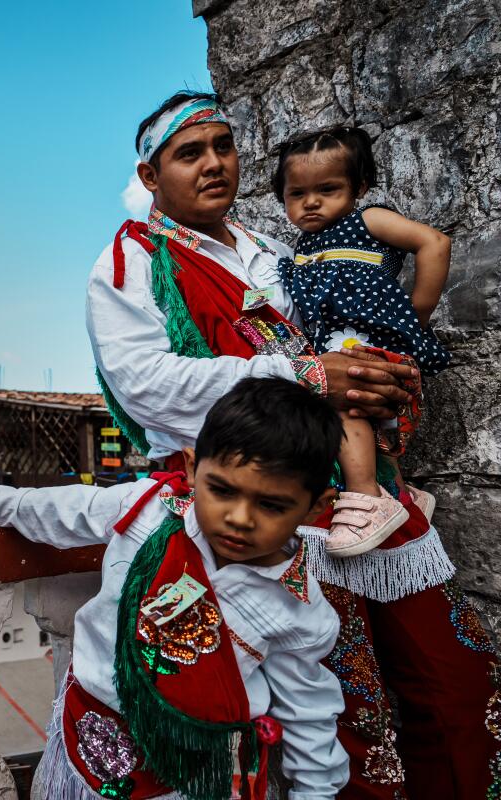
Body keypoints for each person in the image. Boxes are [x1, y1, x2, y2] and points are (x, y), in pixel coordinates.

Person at [88, 90, 499, 798]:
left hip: (368, 497)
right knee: (341, 715)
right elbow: (144, 385)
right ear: (151, 177)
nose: (214, 163)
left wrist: (378, 372)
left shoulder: (282, 249)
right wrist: (306, 374)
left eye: (223, 146)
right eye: (190, 153)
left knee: (453, 682)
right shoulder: (129, 265)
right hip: (267, 520)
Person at [0, 378, 349, 799]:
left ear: (315, 507)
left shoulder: (299, 609)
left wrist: (315, 792)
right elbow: (58, 509)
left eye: (271, 505)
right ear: (191, 466)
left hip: (189, 777)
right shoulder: (148, 510)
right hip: (81, 741)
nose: (239, 518)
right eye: (221, 490)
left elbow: (308, 711)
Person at [274, 126, 450, 557]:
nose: (311, 202)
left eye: (328, 189)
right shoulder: (304, 248)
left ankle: (368, 496)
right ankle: (400, 495)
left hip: (367, 347)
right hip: (339, 349)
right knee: (358, 419)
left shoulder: (366, 221)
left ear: (359, 188)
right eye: (297, 194)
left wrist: (416, 315)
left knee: (344, 405)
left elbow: (435, 242)